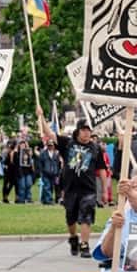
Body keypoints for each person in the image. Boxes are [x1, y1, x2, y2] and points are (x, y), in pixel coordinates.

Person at [38, 107, 107, 258]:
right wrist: (41, 116)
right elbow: (49, 134)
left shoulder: (96, 148)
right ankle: (73, 238)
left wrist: (105, 191)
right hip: (70, 188)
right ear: (78, 131)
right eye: (84, 130)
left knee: (86, 215)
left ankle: (85, 244)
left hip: (88, 189)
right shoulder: (67, 143)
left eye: (89, 130)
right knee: (71, 216)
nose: (87, 133)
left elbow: (102, 170)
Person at [38, 139, 62, 205]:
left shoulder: (56, 154)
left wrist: (57, 174)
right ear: (47, 145)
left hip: (54, 173)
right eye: (49, 145)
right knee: (47, 186)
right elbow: (40, 164)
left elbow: (58, 164)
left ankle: (44, 199)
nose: (50, 147)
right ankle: (49, 200)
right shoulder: (43, 153)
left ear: (54, 146)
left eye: (51, 145)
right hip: (45, 173)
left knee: (51, 187)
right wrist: (41, 172)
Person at [1, 139, 18, 203]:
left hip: (14, 171)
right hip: (8, 171)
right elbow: (5, 162)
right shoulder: (7, 152)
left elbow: (16, 163)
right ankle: (4, 197)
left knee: (12, 184)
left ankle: (7, 196)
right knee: (5, 184)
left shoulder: (16, 153)